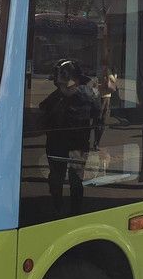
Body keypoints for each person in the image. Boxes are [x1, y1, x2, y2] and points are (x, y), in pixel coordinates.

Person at [40, 58, 100, 216]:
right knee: (74, 179)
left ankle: (58, 204)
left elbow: (42, 112)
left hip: (58, 143)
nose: (62, 87)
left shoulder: (57, 97)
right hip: (77, 143)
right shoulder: (89, 94)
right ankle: (74, 209)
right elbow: (97, 117)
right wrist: (96, 140)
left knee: (58, 177)